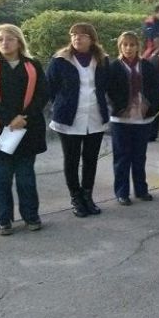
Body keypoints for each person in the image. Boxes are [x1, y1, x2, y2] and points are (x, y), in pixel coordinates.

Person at [0, 24, 48, 235]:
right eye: (0, 39)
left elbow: (42, 95)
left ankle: (31, 216)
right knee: (2, 177)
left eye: (9, 39)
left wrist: (23, 118)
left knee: (26, 176)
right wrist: (10, 118)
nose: (4, 43)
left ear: (19, 41)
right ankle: (4, 219)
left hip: (28, 127)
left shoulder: (32, 65)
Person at [46, 23, 109, 218]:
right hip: (68, 118)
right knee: (71, 160)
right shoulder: (60, 60)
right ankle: (75, 197)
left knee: (90, 159)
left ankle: (87, 196)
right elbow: (49, 87)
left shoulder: (102, 60)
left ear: (91, 39)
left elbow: (108, 85)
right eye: (73, 35)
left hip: (95, 117)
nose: (77, 38)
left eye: (82, 35)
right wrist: (61, 105)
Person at [107, 31, 159, 205]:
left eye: (132, 45)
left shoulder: (146, 65)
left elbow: (156, 89)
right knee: (122, 157)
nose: (128, 48)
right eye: (125, 45)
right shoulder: (113, 67)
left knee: (139, 156)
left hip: (142, 119)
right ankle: (122, 192)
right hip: (121, 120)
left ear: (138, 46)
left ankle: (141, 189)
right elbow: (108, 91)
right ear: (120, 47)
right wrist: (120, 107)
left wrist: (149, 104)